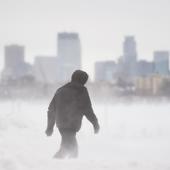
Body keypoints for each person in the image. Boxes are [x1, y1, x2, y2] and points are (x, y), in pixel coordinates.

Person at [45, 70, 100, 158]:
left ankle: (56, 165)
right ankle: (52, 165)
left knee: (67, 148)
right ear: (83, 80)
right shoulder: (81, 90)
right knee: (72, 150)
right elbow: (87, 109)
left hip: (61, 125)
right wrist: (95, 123)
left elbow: (51, 110)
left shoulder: (60, 90)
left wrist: (50, 127)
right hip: (71, 124)